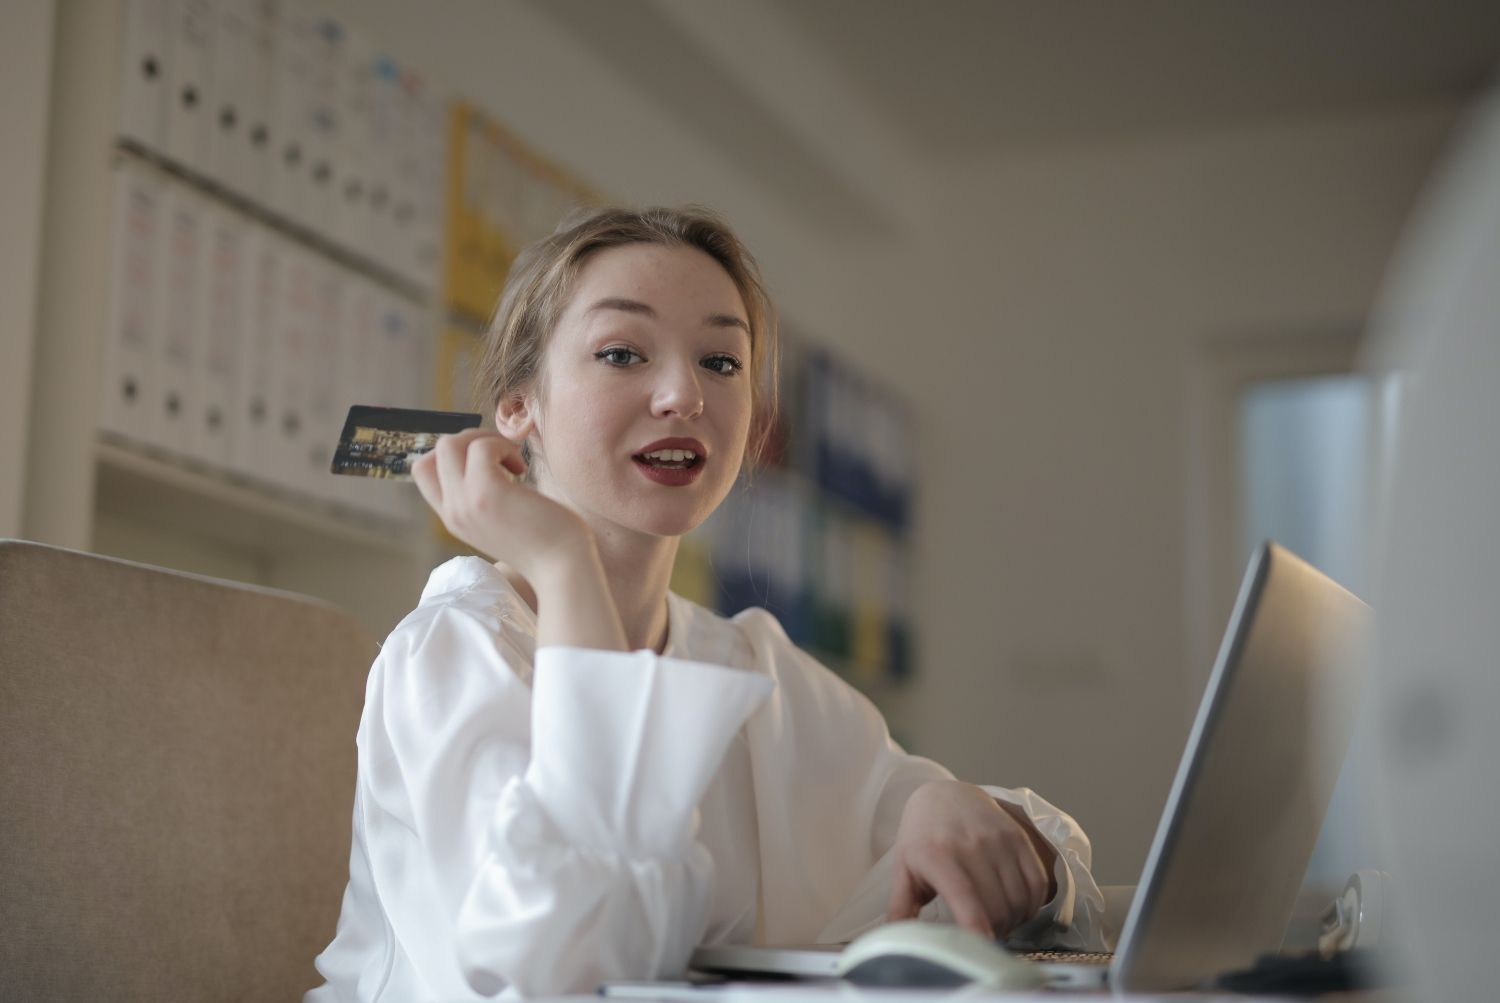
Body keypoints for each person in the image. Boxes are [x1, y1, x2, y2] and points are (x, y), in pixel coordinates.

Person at [308, 206, 1105, 1001]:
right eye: (622, 352)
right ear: (519, 407)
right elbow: (564, 968)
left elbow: (1042, 867)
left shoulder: (755, 664)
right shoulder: (454, 647)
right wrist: (563, 563)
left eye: (721, 362)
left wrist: (956, 804)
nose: (683, 394)